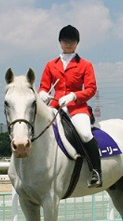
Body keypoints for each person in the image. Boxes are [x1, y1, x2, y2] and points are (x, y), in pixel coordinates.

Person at [38, 25, 102, 188]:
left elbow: (91, 89)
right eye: (65, 41)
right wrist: (42, 94)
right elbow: (43, 86)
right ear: (60, 42)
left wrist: (74, 96)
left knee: (85, 134)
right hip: (54, 106)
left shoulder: (85, 65)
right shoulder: (51, 65)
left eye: (72, 41)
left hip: (76, 107)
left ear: (77, 43)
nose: (68, 44)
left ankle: (96, 171)